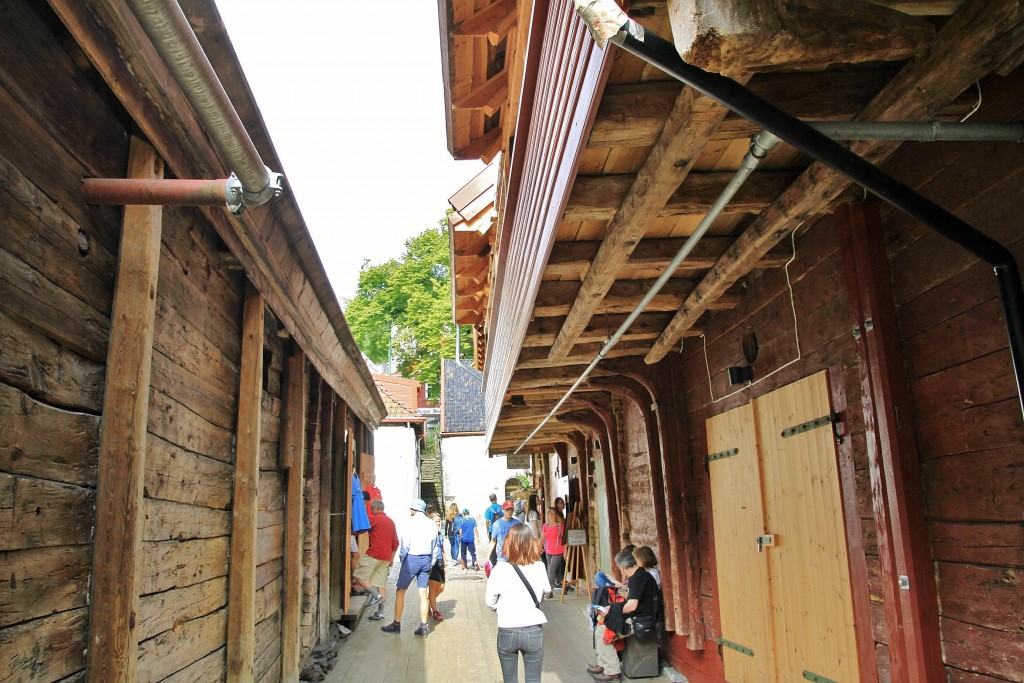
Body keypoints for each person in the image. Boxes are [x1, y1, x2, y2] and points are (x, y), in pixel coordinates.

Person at [485, 524, 551, 683]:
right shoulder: (539, 566)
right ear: (531, 543)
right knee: (534, 679)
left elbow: (490, 602)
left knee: (510, 679)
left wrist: (502, 606)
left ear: (509, 543)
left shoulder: (500, 569)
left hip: (507, 627)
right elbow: (547, 591)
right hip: (533, 628)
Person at [587, 548, 658, 681]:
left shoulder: (637, 579)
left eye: (620, 568)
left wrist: (613, 609)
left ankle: (612, 670)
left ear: (623, 567)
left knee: (602, 631)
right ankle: (603, 664)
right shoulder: (641, 575)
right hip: (642, 617)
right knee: (603, 624)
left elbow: (632, 606)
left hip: (640, 621)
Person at [380, 498, 442, 638]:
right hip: (426, 558)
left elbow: (405, 545)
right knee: (422, 594)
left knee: (400, 590)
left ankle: (396, 623)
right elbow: (435, 545)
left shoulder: (409, 523)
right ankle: (424, 627)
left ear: (414, 510)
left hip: (412, 558)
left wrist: (403, 560)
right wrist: (431, 561)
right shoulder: (431, 524)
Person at [352, 499, 399, 622]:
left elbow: (362, 529)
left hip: (374, 554)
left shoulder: (373, 519)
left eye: (371, 509)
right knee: (380, 584)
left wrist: (352, 532)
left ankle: (375, 595)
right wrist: (392, 559)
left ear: (374, 509)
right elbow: (395, 543)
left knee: (358, 575)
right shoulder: (391, 522)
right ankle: (381, 613)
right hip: (386, 557)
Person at [427, 503, 447, 621]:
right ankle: (435, 611)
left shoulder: (440, 535)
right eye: (436, 522)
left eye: (439, 522)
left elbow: (442, 549)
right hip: (431, 563)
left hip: (439, 562)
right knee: (433, 587)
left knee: (441, 587)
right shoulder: (429, 534)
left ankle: (429, 601)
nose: (438, 524)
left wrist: (445, 563)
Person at [542, 507, 566, 589]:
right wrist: (537, 548)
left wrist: (566, 551)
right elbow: (542, 538)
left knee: (551, 570)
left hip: (558, 550)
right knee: (555, 571)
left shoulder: (560, 525)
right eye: (551, 514)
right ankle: (565, 585)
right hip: (548, 550)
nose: (553, 515)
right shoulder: (545, 526)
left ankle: (549, 590)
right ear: (548, 515)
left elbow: (564, 539)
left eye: (555, 514)